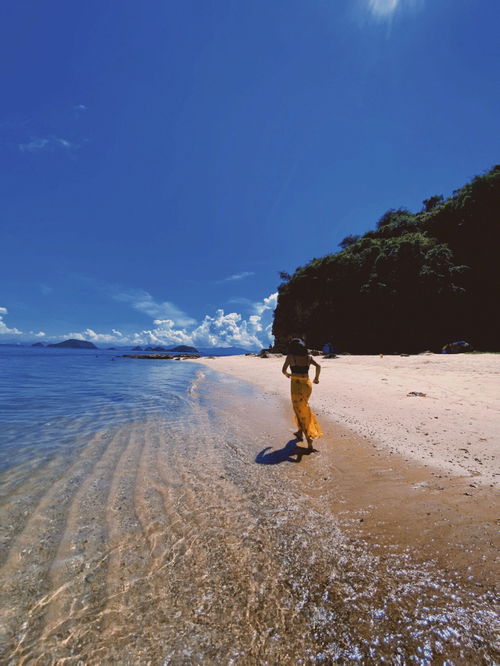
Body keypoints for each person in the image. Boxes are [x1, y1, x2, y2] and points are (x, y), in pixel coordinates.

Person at [281, 338, 323, 449]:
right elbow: (318, 366)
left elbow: (283, 370)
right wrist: (316, 379)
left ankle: (309, 438)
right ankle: (300, 432)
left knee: (299, 409)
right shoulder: (308, 357)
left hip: (296, 385)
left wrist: (287, 375)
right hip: (307, 385)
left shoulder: (290, 357)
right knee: (302, 407)